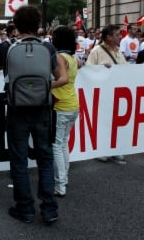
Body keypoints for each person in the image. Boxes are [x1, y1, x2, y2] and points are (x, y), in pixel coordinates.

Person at [0, 5, 60, 225]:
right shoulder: (48, 48)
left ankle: (25, 208)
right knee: (45, 157)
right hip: (42, 108)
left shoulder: (7, 46)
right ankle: (49, 208)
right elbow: (57, 74)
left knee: (19, 159)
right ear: (37, 24)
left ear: (16, 24)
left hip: (16, 109)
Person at [86, 24, 127, 164]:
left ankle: (114, 149)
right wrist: (101, 69)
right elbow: (88, 71)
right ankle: (101, 150)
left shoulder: (118, 51)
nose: (120, 36)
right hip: (103, 95)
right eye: (117, 34)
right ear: (108, 37)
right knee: (102, 123)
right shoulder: (96, 51)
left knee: (116, 122)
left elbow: (126, 69)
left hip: (118, 93)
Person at [50, 25, 80, 198]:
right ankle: (64, 179)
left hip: (61, 106)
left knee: (56, 145)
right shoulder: (72, 58)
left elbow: (63, 79)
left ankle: (60, 185)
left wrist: (46, 85)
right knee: (63, 144)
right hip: (72, 105)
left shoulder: (60, 57)